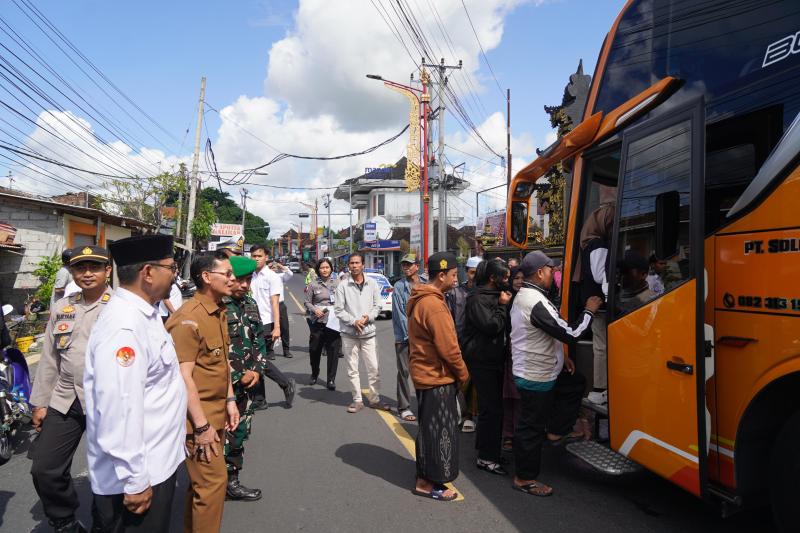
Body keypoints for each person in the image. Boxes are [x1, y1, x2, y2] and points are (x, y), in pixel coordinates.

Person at [84, 235, 187, 532]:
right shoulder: (125, 326)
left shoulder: (147, 312)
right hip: (138, 476)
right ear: (148, 272)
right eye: (171, 267)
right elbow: (119, 409)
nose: (175, 273)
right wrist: (135, 480)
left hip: (157, 463)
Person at [30, 245, 112, 533]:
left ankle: (105, 523)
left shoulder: (121, 307)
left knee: (109, 471)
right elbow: (49, 359)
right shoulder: (62, 308)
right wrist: (40, 402)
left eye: (94, 267)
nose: (87, 273)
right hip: (66, 398)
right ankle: (64, 521)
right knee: (44, 467)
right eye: (80, 268)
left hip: (107, 402)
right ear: (72, 272)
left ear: (108, 271)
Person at [510, 251, 602, 497]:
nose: (554, 274)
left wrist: (562, 358)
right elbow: (570, 332)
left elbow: (547, 332)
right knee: (530, 427)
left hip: (541, 369)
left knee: (574, 383)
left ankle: (555, 430)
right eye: (551, 270)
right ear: (540, 272)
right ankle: (525, 478)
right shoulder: (533, 300)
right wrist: (590, 311)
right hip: (535, 374)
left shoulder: (532, 296)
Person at [166, 252, 239, 533]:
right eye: (228, 274)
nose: (233, 279)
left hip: (216, 414)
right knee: (212, 484)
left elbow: (221, 362)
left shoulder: (218, 310)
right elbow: (183, 378)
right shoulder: (188, 319)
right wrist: (201, 426)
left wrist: (230, 399)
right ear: (207, 278)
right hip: (197, 422)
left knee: (201, 488)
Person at [407, 252, 469, 501]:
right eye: (453, 275)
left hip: (427, 375)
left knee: (429, 429)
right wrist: (464, 375)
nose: (456, 280)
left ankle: (425, 475)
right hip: (436, 378)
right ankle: (426, 483)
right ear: (441, 275)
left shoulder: (426, 298)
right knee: (438, 431)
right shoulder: (433, 304)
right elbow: (449, 349)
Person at [462, 258, 512, 475]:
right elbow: (492, 326)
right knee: (491, 410)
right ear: (493, 278)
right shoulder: (478, 298)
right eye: (505, 277)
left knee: (491, 410)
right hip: (482, 361)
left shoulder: (492, 295)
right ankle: (487, 458)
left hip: (492, 360)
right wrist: (502, 307)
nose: (508, 281)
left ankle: (487, 451)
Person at [222, 255, 266, 502]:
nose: (245, 285)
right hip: (223, 387)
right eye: (240, 280)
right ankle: (214, 483)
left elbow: (260, 340)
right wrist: (238, 375)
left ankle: (232, 481)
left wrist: (257, 370)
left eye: (248, 280)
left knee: (239, 434)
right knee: (218, 437)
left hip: (247, 386)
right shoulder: (218, 305)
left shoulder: (250, 303)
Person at [334, 252, 388, 413]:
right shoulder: (343, 285)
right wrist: (353, 321)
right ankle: (357, 400)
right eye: (352, 263)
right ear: (348, 266)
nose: (355, 266)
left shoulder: (372, 284)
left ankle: (374, 399)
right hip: (349, 334)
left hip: (368, 332)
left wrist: (368, 318)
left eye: (357, 263)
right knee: (352, 369)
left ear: (363, 265)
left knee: (374, 368)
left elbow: (378, 305)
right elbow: (338, 309)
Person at [246, 245, 296, 410]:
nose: (256, 259)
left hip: (266, 322)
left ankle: (285, 383)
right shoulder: (250, 276)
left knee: (259, 359)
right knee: (257, 359)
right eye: (253, 256)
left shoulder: (272, 276)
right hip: (251, 322)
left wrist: (277, 327)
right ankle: (261, 398)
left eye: (259, 256)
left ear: (266, 257)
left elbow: (275, 303)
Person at [574, 203, 614, 406]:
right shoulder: (598, 244)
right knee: (602, 346)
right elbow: (600, 275)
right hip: (600, 304)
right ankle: (600, 387)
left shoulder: (588, 242)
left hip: (595, 303)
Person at [446, 255, 481, 433]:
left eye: (478, 273)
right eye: (472, 272)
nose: (474, 276)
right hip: (459, 343)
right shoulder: (455, 293)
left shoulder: (484, 292)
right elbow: (449, 320)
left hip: (478, 345)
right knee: (459, 380)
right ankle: (460, 413)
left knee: (474, 382)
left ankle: (472, 415)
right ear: (466, 272)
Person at [391, 253, 426, 422]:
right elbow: (400, 314)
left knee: (424, 372)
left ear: (417, 266)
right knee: (404, 372)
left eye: (409, 264)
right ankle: (404, 407)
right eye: (404, 265)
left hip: (425, 337)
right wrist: (413, 336)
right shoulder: (399, 286)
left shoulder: (426, 283)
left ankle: (424, 405)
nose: (405, 267)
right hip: (405, 337)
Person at [303, 258, 341, 390]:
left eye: (327, 267)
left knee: (333, 350)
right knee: (314, 350)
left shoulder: (338, 283)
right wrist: (315, 309)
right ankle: (314, 373)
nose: (325, 270)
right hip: (317, 321)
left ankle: (331, 379)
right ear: (318, 270)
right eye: (322, 268)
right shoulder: (313, 285)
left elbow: (344, 301)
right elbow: (307, 302)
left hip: (334, 322)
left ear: (331, 269)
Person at [502, 267, 525, 452]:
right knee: (510, 397)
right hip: (509, 354)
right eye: (515, 278)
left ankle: (517, 435)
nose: (518, 281)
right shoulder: (505, 299)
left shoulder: (530, 299)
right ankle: (509, 435)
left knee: (520, 399)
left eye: (522, 278)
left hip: (524, 354)